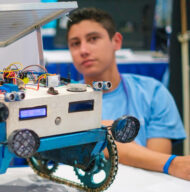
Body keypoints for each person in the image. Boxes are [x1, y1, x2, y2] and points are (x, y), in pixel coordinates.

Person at [66, 7, 190, 181]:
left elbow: (157, 165)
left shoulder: (152, 93)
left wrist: (103, 138)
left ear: (116, 41)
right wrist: (174, 164)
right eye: (75, 43)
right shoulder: (63, 102)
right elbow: (164, 162)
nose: (83, 50)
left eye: (93, 39)